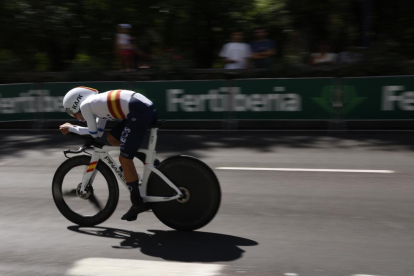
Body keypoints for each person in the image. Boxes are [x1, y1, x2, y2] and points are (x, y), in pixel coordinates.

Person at [59, 86, 158, 221]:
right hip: (142, 107)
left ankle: (137, 202)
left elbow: (92, 133)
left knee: (124, 159)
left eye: (72, 113)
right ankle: (143, 158)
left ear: (76, 103)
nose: (75, 117)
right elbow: (99, 132)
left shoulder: (86, 105)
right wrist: (76, 129)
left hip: (139, 110)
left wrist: (71, 128)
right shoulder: (97, 104)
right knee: (112, 138)